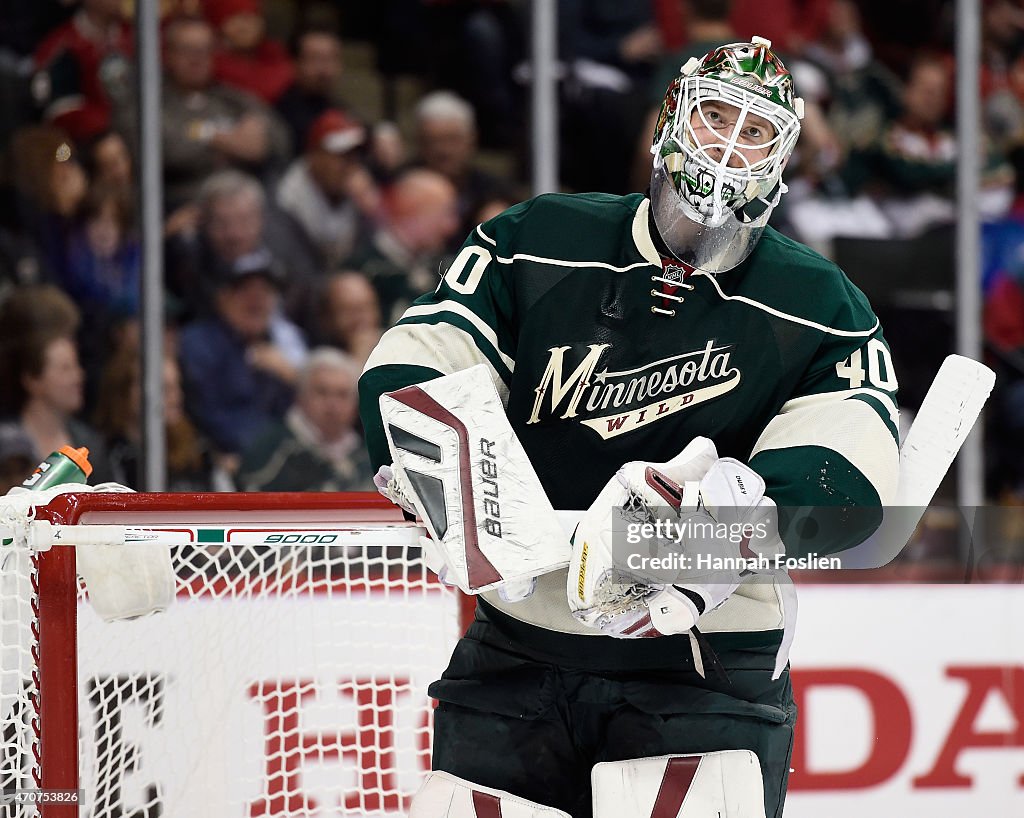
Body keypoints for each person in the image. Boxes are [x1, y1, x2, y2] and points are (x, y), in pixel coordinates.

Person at [358, 38, 899, 818]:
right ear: (669, 121)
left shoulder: (822, 303)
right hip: (517, 642)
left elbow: (846, 479)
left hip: (706, 663)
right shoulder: (535, 239)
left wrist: (716, 527)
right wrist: (455, 472)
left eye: (756, 132)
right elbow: (416, 364)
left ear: (784, 160)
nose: (729, 144)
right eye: (716, 115)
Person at [236, 347, 372, 492]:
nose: (333, 405)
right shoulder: (271, 450)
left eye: (342, 395)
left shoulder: (367, 455)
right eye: (322, 392)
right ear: (300, 396)